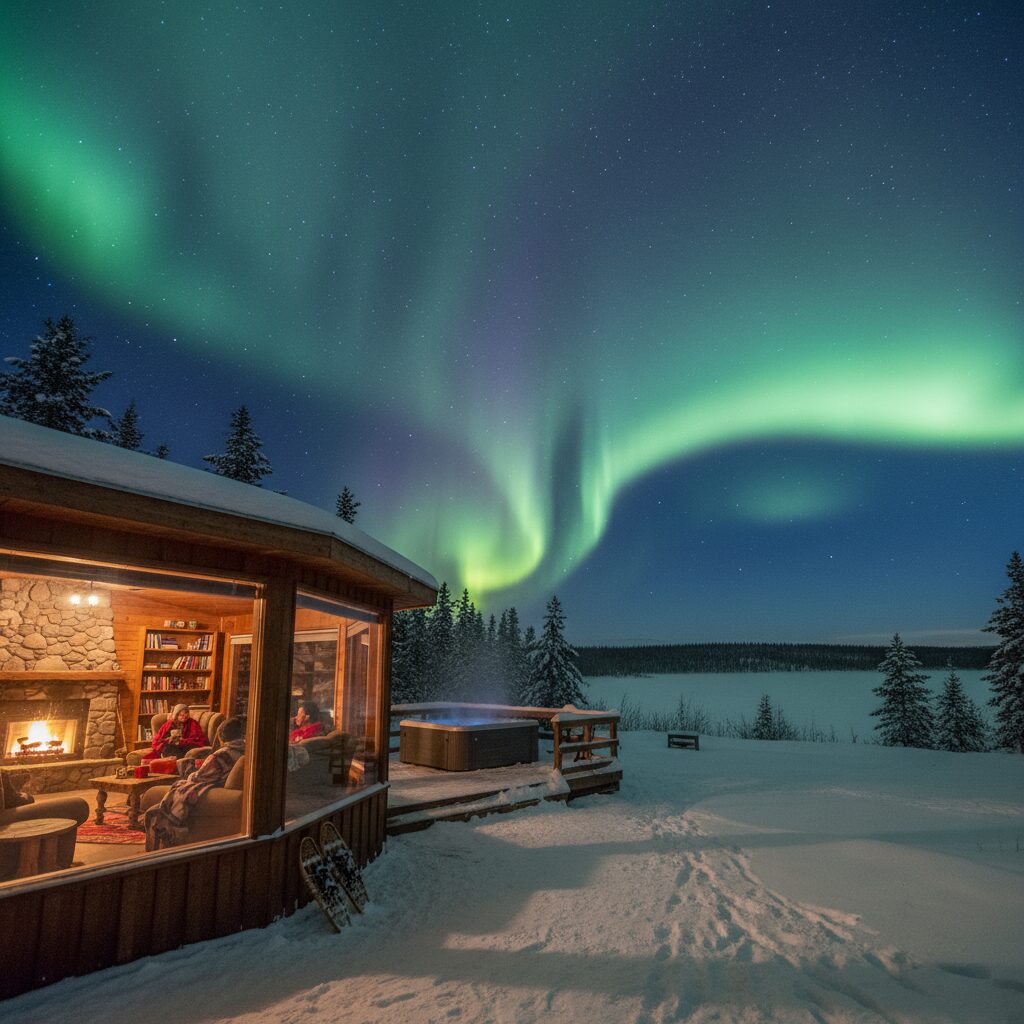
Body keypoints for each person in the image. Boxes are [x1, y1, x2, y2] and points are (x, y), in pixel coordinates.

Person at [144, 717, 246, 851]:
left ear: (221, 737)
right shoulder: (246, 751)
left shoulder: (221, 755)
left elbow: (199, 777)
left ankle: (156, 852)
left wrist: (190, 775)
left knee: (153, 812)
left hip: (213, 792)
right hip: (224, 788)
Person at [142, 704, 207, 762]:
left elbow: (198, 739)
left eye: (186, 713)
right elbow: (158, 739)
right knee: (167, 748)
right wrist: (168, 739)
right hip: (171, 746)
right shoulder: (169, 724)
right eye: (181, 715)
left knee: (174, 750)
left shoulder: (193, 723)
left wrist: (182, 741)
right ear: (176, 715)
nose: (184, 716)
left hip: (185, 747)